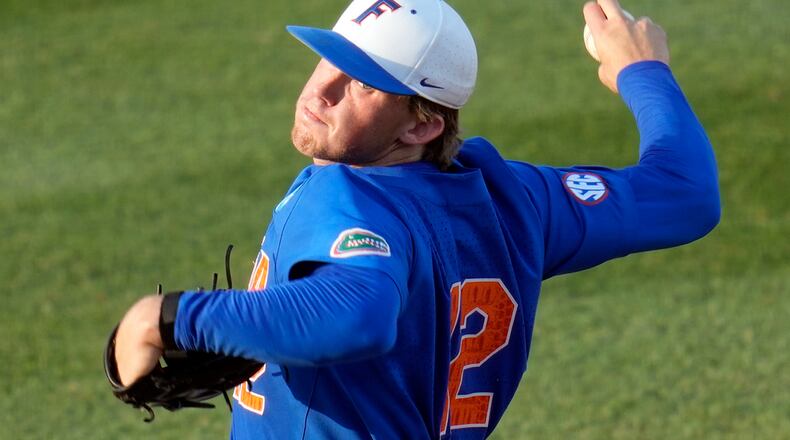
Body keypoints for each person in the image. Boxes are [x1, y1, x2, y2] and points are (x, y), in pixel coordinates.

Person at [112, 0, 720, 437]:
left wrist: (167, 318)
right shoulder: (517, 199)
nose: (322, 90)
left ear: (421, 126)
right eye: (329, 58)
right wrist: (642, 72)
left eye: (362, 84)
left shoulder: (347, 197)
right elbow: (683, 192)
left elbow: (359, 313)